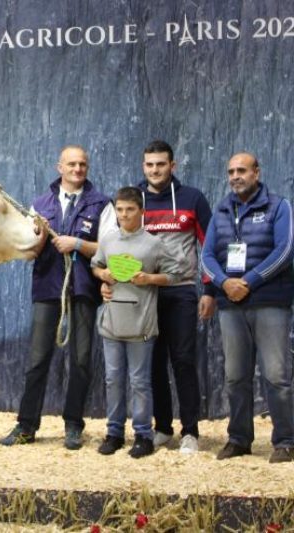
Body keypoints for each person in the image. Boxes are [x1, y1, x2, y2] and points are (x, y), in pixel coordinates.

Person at [0, 145, 115, 450]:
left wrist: (77, 243)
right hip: (48, 289)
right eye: (72, 164)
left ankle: (73, 426)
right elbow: (31, 253)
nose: (78, 169)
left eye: (83, 164)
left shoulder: (102, 204)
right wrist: (38, 238)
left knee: (80, 360)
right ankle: (26, 426)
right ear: (59, 167)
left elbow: (108, 247)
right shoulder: (40, 205)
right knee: (37, 359)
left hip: (83, 290)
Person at [201, 152, 294, 463]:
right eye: (231, 171)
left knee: (277, 376)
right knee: (235, 375)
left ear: (257, 172)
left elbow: (285, 251)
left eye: (242, 170)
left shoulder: (279, 206)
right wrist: (225, 283)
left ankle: (285, 441)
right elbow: (206, 256)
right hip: (230, 305)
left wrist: (249, 281)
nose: (235, 176)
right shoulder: (222, 210)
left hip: (269, 302)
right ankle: (239, 439)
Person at [134, 140, 215, 454]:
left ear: (173, 166)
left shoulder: (192, 198)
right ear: (144, 166)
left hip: (181, 292)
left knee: (183, 361)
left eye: (161, 164)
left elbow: (209, 245)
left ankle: (190, 431)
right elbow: (119, 243)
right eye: (149, 165)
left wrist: (208, 290)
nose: (155, 170)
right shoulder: (133, 199)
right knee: (152, 364)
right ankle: (163, 427)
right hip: (144, 294)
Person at [92, 186, 183, 458]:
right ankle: (114, 432)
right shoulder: (108, 240)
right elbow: (95, 265)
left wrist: (149, 279)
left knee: (140, 381)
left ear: (141, 211)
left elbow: (176, 274)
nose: (124, 215)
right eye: (119, 209)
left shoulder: (154, 244)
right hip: (112, 322)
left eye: (130, 209)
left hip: (141, 323)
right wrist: (103, 277)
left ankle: (143, 434)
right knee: (112, 379)